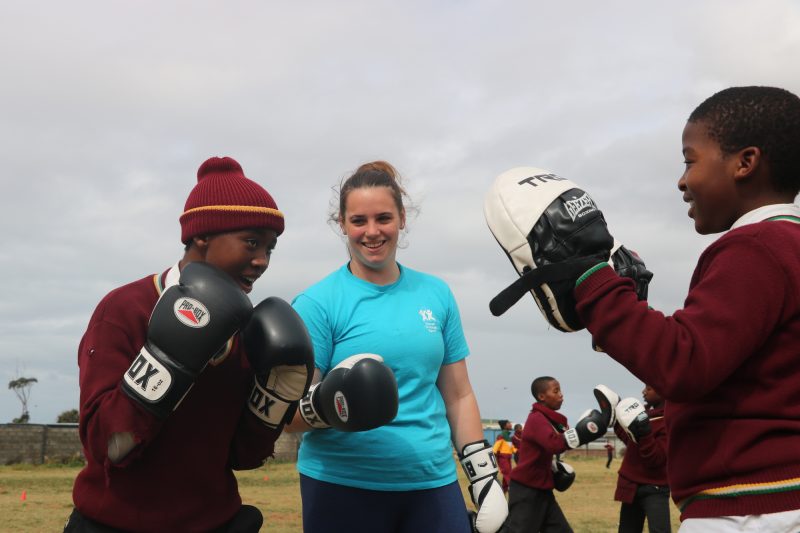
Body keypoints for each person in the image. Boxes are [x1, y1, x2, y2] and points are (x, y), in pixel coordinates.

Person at [570, 86, 800, 530]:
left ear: (744, 163)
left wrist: (590, 279)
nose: (681, 180)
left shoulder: (755, 246)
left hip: (752, 508)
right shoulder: (786, 245)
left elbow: (683, 363)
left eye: (690, 161)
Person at [66, 157, 314, 533]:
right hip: (114, 523)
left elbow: (243, 455)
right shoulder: (126, 309)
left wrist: (275, 399)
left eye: (270, 248)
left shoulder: (249, 329)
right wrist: (168, 359)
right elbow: (108, 447)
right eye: (251, 242)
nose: (262, 260)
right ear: (201, 236)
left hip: (214, 522)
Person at [284, 161, 507, 533]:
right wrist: (329, 402)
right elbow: (288, 418)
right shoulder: (317, 303)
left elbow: (459, 395)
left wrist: (483, 476)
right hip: (342, 484)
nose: (372, 232)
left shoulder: (436, 294)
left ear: (402, 218)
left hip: (432, 484)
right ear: (342, 223)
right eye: (358, 221)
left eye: (383, 218)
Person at [502, 376, 615, 533]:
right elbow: (554, 444)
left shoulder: (550, 420)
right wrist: (590, 429)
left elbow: (564, 439)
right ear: (542, 396)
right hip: (526, 491)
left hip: (542, 490)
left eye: (560, 390)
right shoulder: (536, 418)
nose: (561, 394)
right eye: (556, 391)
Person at [613, 385, 670, 533]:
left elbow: (655, 459)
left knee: (660, 530)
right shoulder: (642, 414)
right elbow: (631, 442)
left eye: (649, 388)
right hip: (632, 486)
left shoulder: (669, 420)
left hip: (655, 488)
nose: (643, 391)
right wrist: (617, 418)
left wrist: (644, 432)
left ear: (663, 390)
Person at [493, 420, 515, 493]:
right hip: (503, 458)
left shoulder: (508, 436)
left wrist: (519, 452)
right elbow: (496, 447)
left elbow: (512, 448)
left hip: (508, 458)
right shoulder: (501, 435)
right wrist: (492, 455)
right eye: (509, 423)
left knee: (507, 474)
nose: (511, 424)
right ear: (505, 426)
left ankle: (503, 491)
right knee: (508, 473)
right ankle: (512, 489)